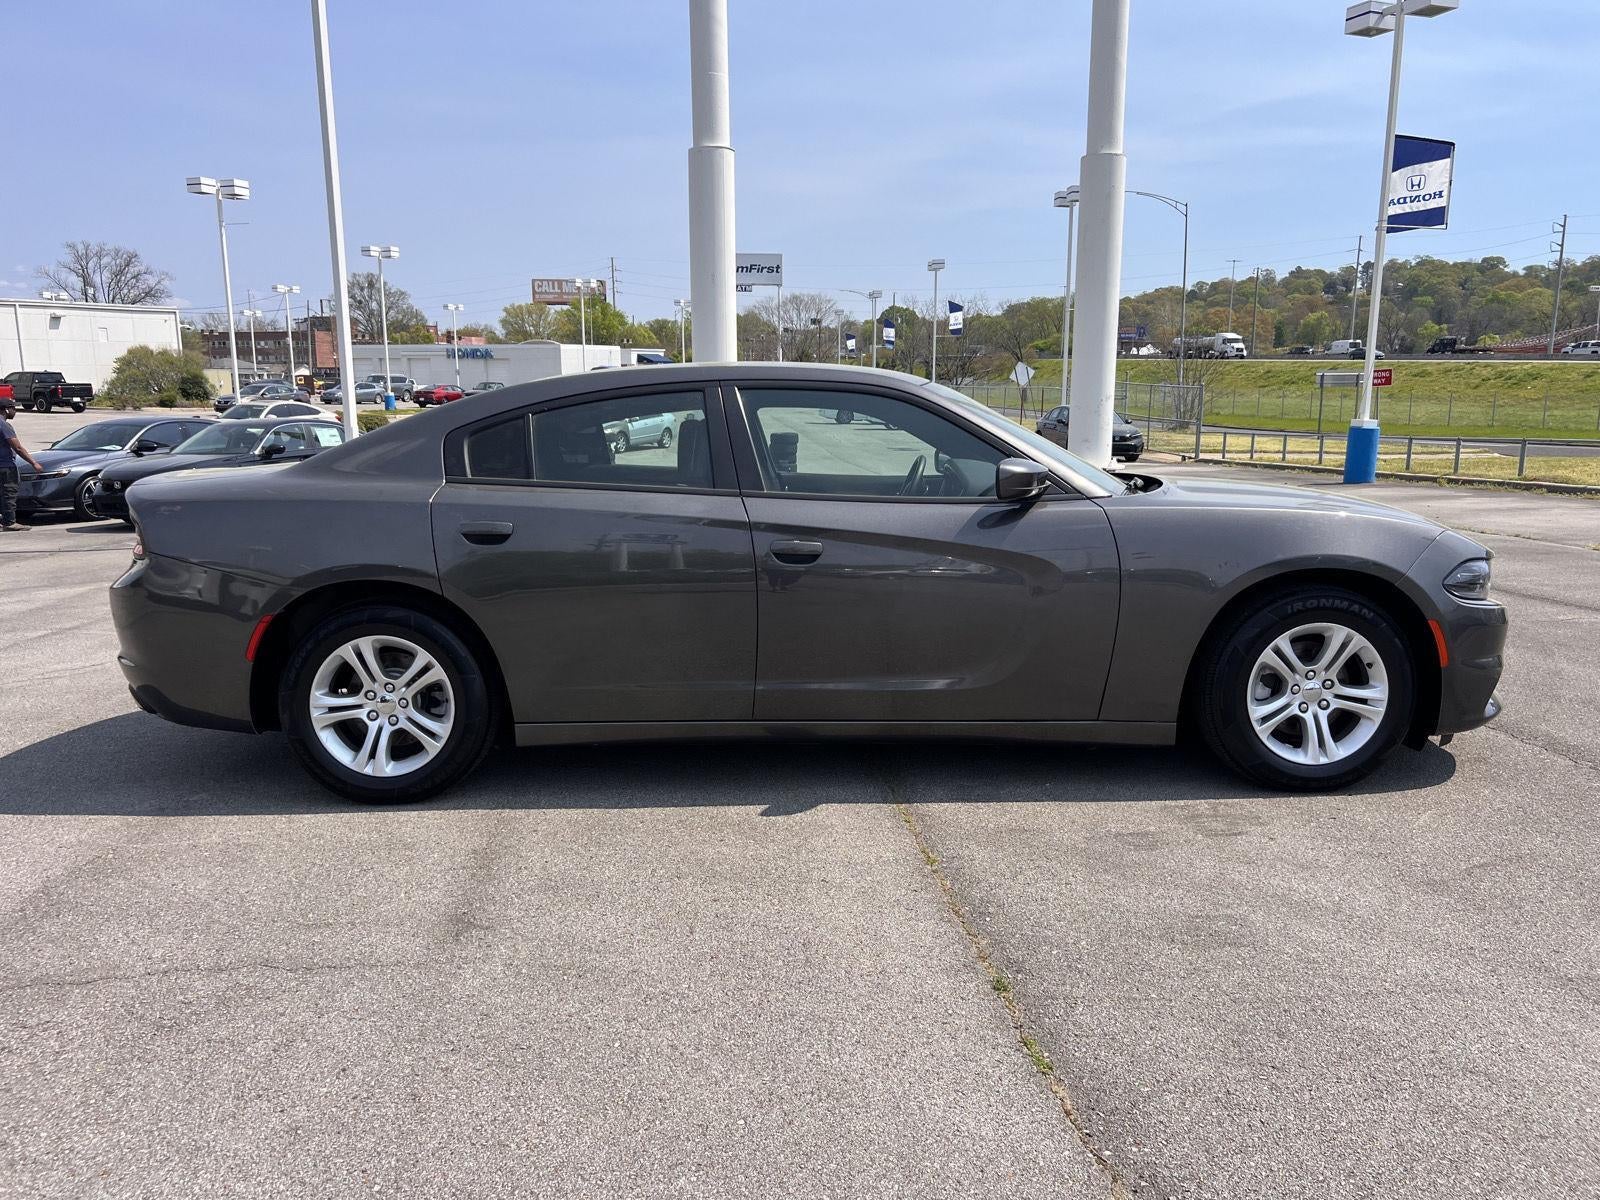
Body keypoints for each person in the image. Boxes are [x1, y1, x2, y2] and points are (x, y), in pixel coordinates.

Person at [1, 396, 44, 532]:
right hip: (5, 466)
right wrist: (34, 463)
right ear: (6, 410)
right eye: (13, 408)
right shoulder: (4, 425)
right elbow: (17, 448)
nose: (15, 411)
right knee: (9, 493)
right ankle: (10, 522)